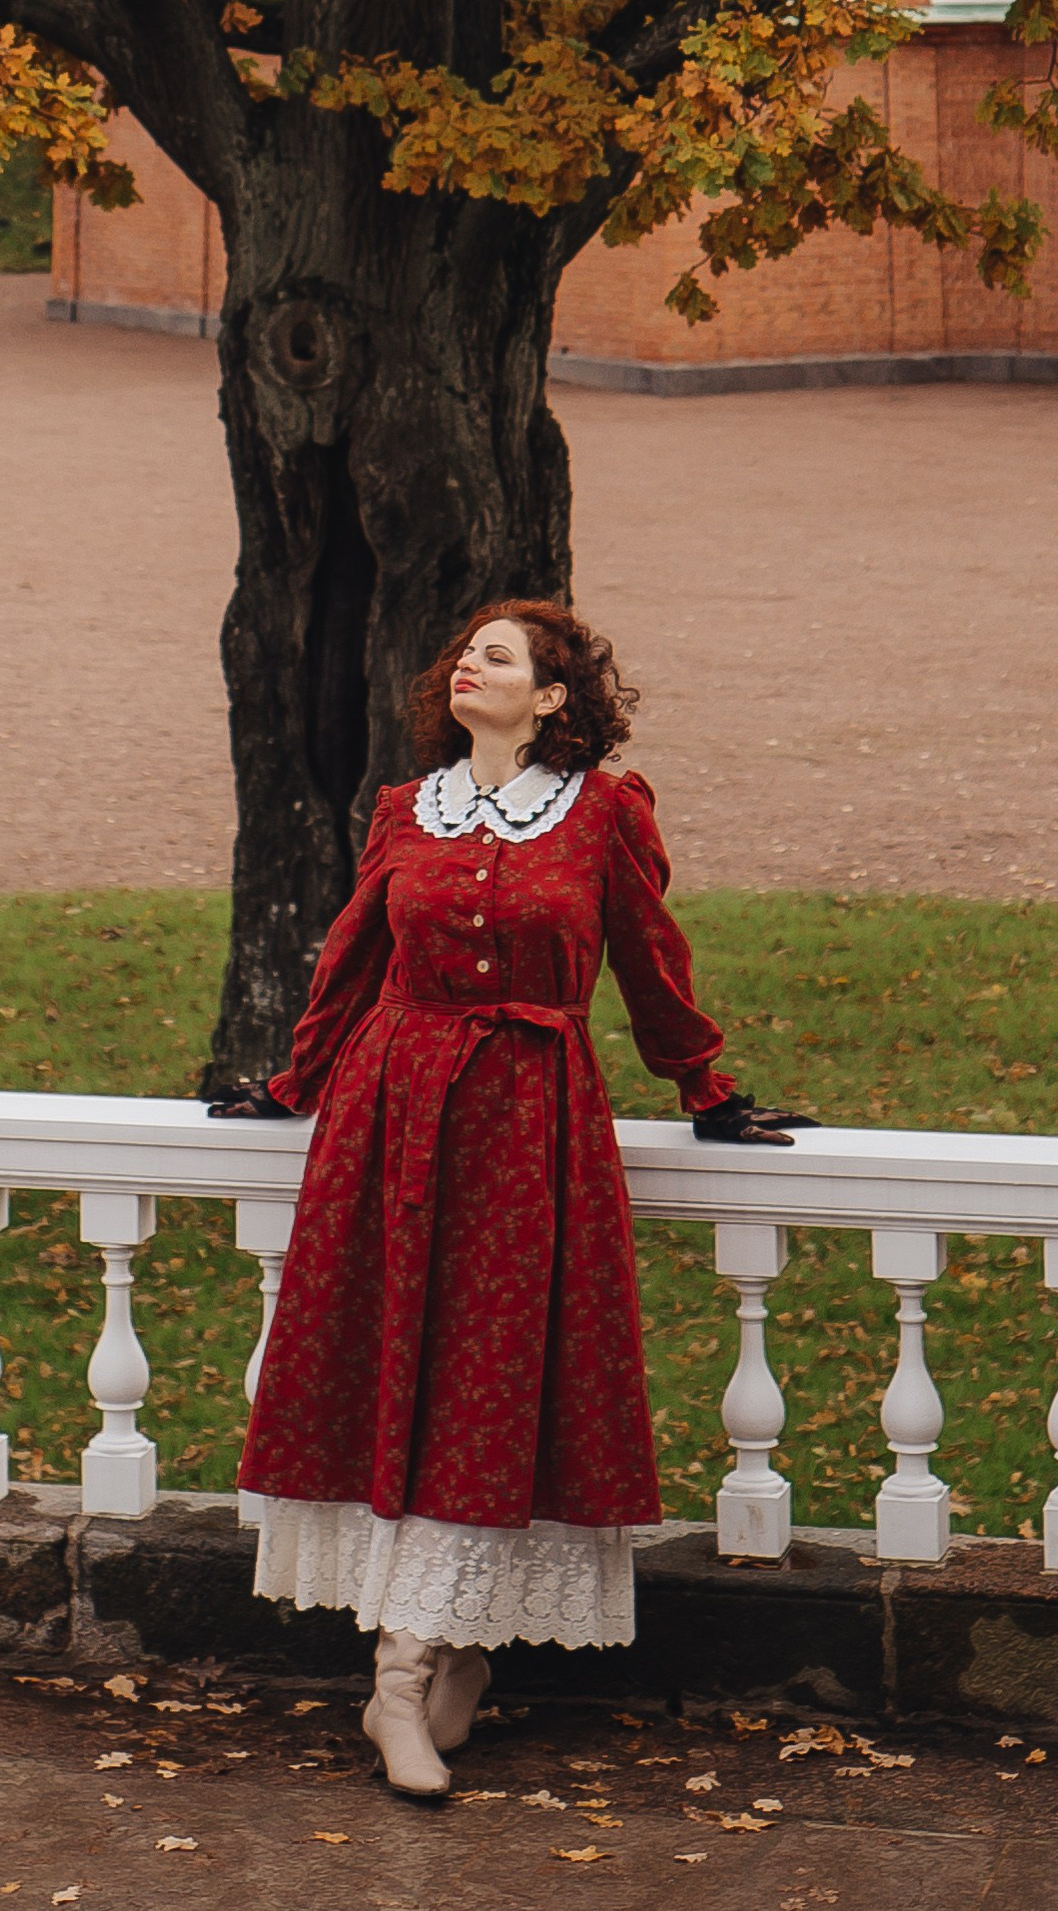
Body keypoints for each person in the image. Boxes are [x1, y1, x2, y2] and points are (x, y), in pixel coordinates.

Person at [214, 598, 807, 1799]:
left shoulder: (599, 817)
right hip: (391, 1112)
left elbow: (651, 961)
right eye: (464, 654)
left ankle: (424, 1666)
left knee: (493, 1381)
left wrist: (708, 1090)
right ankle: (419, 1677)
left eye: (499, 656)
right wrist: (294, 1082)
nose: (468, 668)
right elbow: (351, 958)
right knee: (400, 1374)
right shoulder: (403, 812)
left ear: (552, 699)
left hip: (529, 1124)